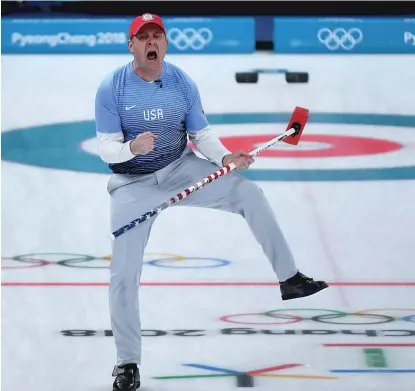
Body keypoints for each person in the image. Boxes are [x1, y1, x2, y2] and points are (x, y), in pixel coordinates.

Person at [94, 13, 328, 391]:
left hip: (179, 168)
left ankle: (290, 279)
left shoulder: (182, 83)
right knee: (123, 275)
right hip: (132, 184)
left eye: (158, 36)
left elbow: (200, 133)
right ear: (132, 46)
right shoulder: (112, 88)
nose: (152, 42)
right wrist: (130, 148)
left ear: (165, 44)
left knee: (249, 193)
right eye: (144, 37)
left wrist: (224, 158)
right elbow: (105, 146)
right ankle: (127, 364)